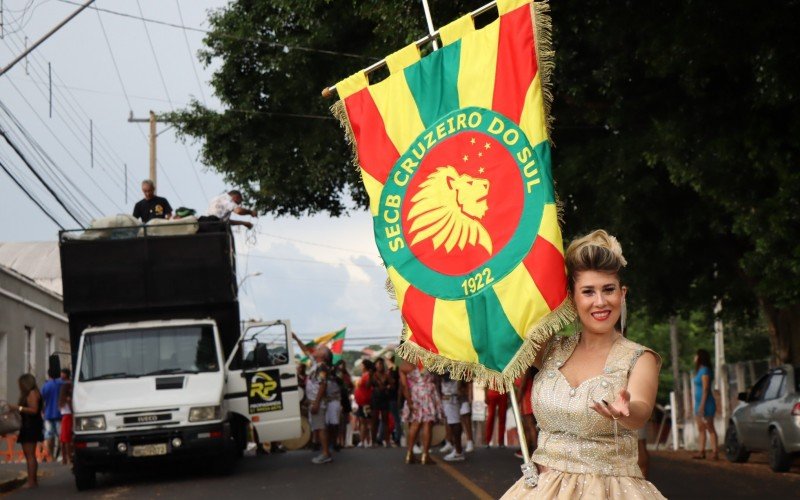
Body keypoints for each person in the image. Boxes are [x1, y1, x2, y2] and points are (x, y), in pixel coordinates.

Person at [502, 230, 665, 499]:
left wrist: (624, 412)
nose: (600, 302)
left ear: (622, 294)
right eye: (588, 292)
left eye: (608, 290)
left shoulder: (640, 358)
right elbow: (510, 320)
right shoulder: (549, 348)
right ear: (572, 297)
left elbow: (640, 409)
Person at [292, 333, 333, 464]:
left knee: (321, 427)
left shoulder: (322, 367)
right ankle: (325, 452)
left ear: (324, 356)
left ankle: (326, 454)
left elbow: (323, 385)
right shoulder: (316, 363)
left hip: (318, 402)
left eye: (320, 349)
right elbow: (305, 351)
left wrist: (316, 403)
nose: (317, 349)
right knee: (319, 426)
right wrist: (297, 338)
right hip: (315, 401)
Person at [400, 359, 443, 464]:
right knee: (427, 423)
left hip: (415, 393)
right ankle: (425, 455)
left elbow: (404, 386)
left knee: (415, 423)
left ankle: (409, 454)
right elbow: (438, 375)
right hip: (428, 392)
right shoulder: (429, 360)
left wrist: (409, 401)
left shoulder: (404, 366)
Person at [9, 374, 43, 488]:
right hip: (32, 425)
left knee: (29, 456)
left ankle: (31, 481)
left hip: (29, 426)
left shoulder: (31, 393)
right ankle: (33, 480)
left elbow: (34, 410)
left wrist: (17, 408)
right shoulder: (35, 392)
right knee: (31, 455)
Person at [692, 348, 719, 460]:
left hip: (706, 404)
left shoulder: (705, 371)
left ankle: (714, 452)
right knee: (701, 428)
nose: (694, 358)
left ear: (700, 357)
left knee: (709, 427)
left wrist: (702, 405)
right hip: (699, 404)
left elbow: (706, 389)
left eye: (696, 356)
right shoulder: (699, 371)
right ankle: (701, 451)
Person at [440, 372, 465, 462]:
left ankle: (458, 451)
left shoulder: (451, 362)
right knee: (452, 422)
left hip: (451, 394)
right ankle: (457, 449)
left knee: (454, 423)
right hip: (450, 394)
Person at [514, 366, 538, 459]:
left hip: (527, 399)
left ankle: (536, 451)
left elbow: (522, 386)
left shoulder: (525, 368)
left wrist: (517, 401)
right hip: (524, 399)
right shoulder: (519, 369)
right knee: (527, 427)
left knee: (530, 425)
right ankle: (528, 450)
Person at [40, 368, 63, 462]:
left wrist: (42, 411)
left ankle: (52, 457)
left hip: (48, 414)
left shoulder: (46, 386)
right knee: (61, 436)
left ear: (49, 374)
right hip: (60, 414)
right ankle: (62, 455)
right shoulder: (62, 384)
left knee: (49, 436)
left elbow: (41, 399)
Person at [370, 358, 392, 447]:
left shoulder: (387, 375)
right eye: (378, 364)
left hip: (384, 398)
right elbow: (368, 385)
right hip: (375, 398)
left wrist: (388, 387)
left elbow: (393, 384)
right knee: (374, 420)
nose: (380, 366)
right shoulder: (373, 375)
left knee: (385, 420)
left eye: (381, 364)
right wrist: (370, 376)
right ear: (375, 366)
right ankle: (373, 441)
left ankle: (387, 441)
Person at [383, 352, 403, 446]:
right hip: (388, 398)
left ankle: (398, 437)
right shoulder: (390, 370)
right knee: (387, 418)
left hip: (393, 397)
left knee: (396, 418)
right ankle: (382, 437)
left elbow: (394, 384)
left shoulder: (394, 369)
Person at [354, 360, 374, 448]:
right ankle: (366, 441)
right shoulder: (364, 375)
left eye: (362, 366)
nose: (361, 367)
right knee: (364, 422)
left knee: (365, 422)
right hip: (362, 402)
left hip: (365, 402)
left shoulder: (367, 375)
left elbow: (367, 386)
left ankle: (364, 441)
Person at [59, 382, 74, 465]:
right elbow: (72, 409)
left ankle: (64, 458)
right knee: (68, 439)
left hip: (64, 417)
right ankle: (69, 457)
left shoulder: (61, 399)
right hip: (68, 417)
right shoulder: (68, 399)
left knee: (63, 439)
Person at [459, 380, 475, 453]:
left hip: (463, 396)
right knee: (459, 420)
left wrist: (470, 396)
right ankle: (452, 443)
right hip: (454, 395)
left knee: (466, 418)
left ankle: (470, 441)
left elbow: (469, 381)